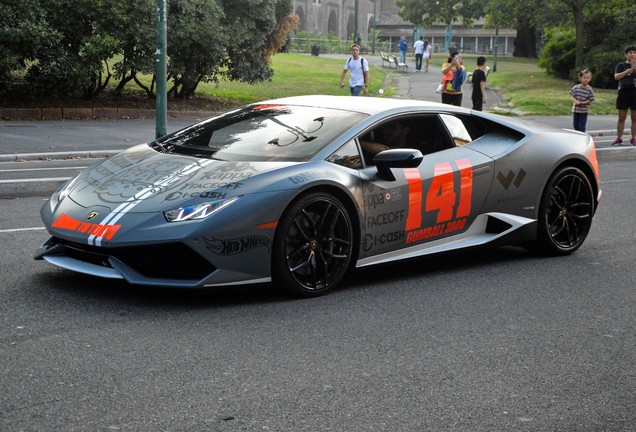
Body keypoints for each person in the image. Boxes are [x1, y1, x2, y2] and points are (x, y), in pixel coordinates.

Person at [612, 46, 636, 145]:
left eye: (634, 52)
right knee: (622, 117)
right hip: (623, 92)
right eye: (630, 52)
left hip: (635, 93)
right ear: (626, 54)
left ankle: (633, 138)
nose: (633, 54)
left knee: (635, 118)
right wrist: (628, 71)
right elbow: (616, 77)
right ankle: (619, 138)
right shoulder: (621, 65)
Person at [570, 68, 595, 132]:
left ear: (590, 79)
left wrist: (583, 102)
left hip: (584, 111)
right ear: (580, 78)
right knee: (575, 125)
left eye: (588, 78)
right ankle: (577, 135)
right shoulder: (576, 87)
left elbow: (591, 99)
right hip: (576, 110)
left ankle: (582, 136)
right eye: (584, 78)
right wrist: (575, 101)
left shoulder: (589, 89)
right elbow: (572, 95)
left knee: (581, 126)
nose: (586, 79)